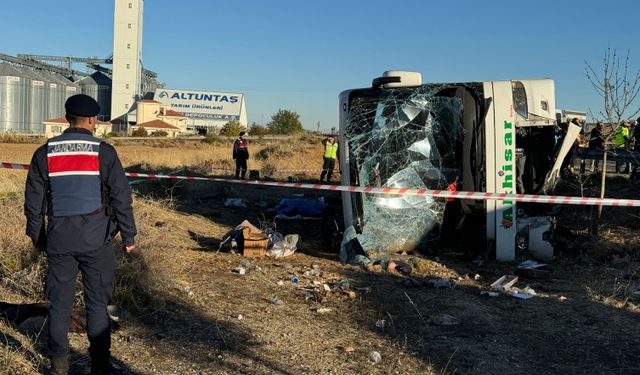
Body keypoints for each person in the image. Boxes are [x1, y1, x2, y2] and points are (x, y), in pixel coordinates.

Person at [24, 94, 137, 375]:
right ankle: (99, 366)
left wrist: (37, 237)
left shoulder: (44, 153)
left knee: (60, 304)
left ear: (66, 118)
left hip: (59, 241)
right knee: (98, 304)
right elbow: (121, 197)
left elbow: (33, 203)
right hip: (97, 241)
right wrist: (129, 237)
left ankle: (58, 366)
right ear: (91, 119)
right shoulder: (104, 152)